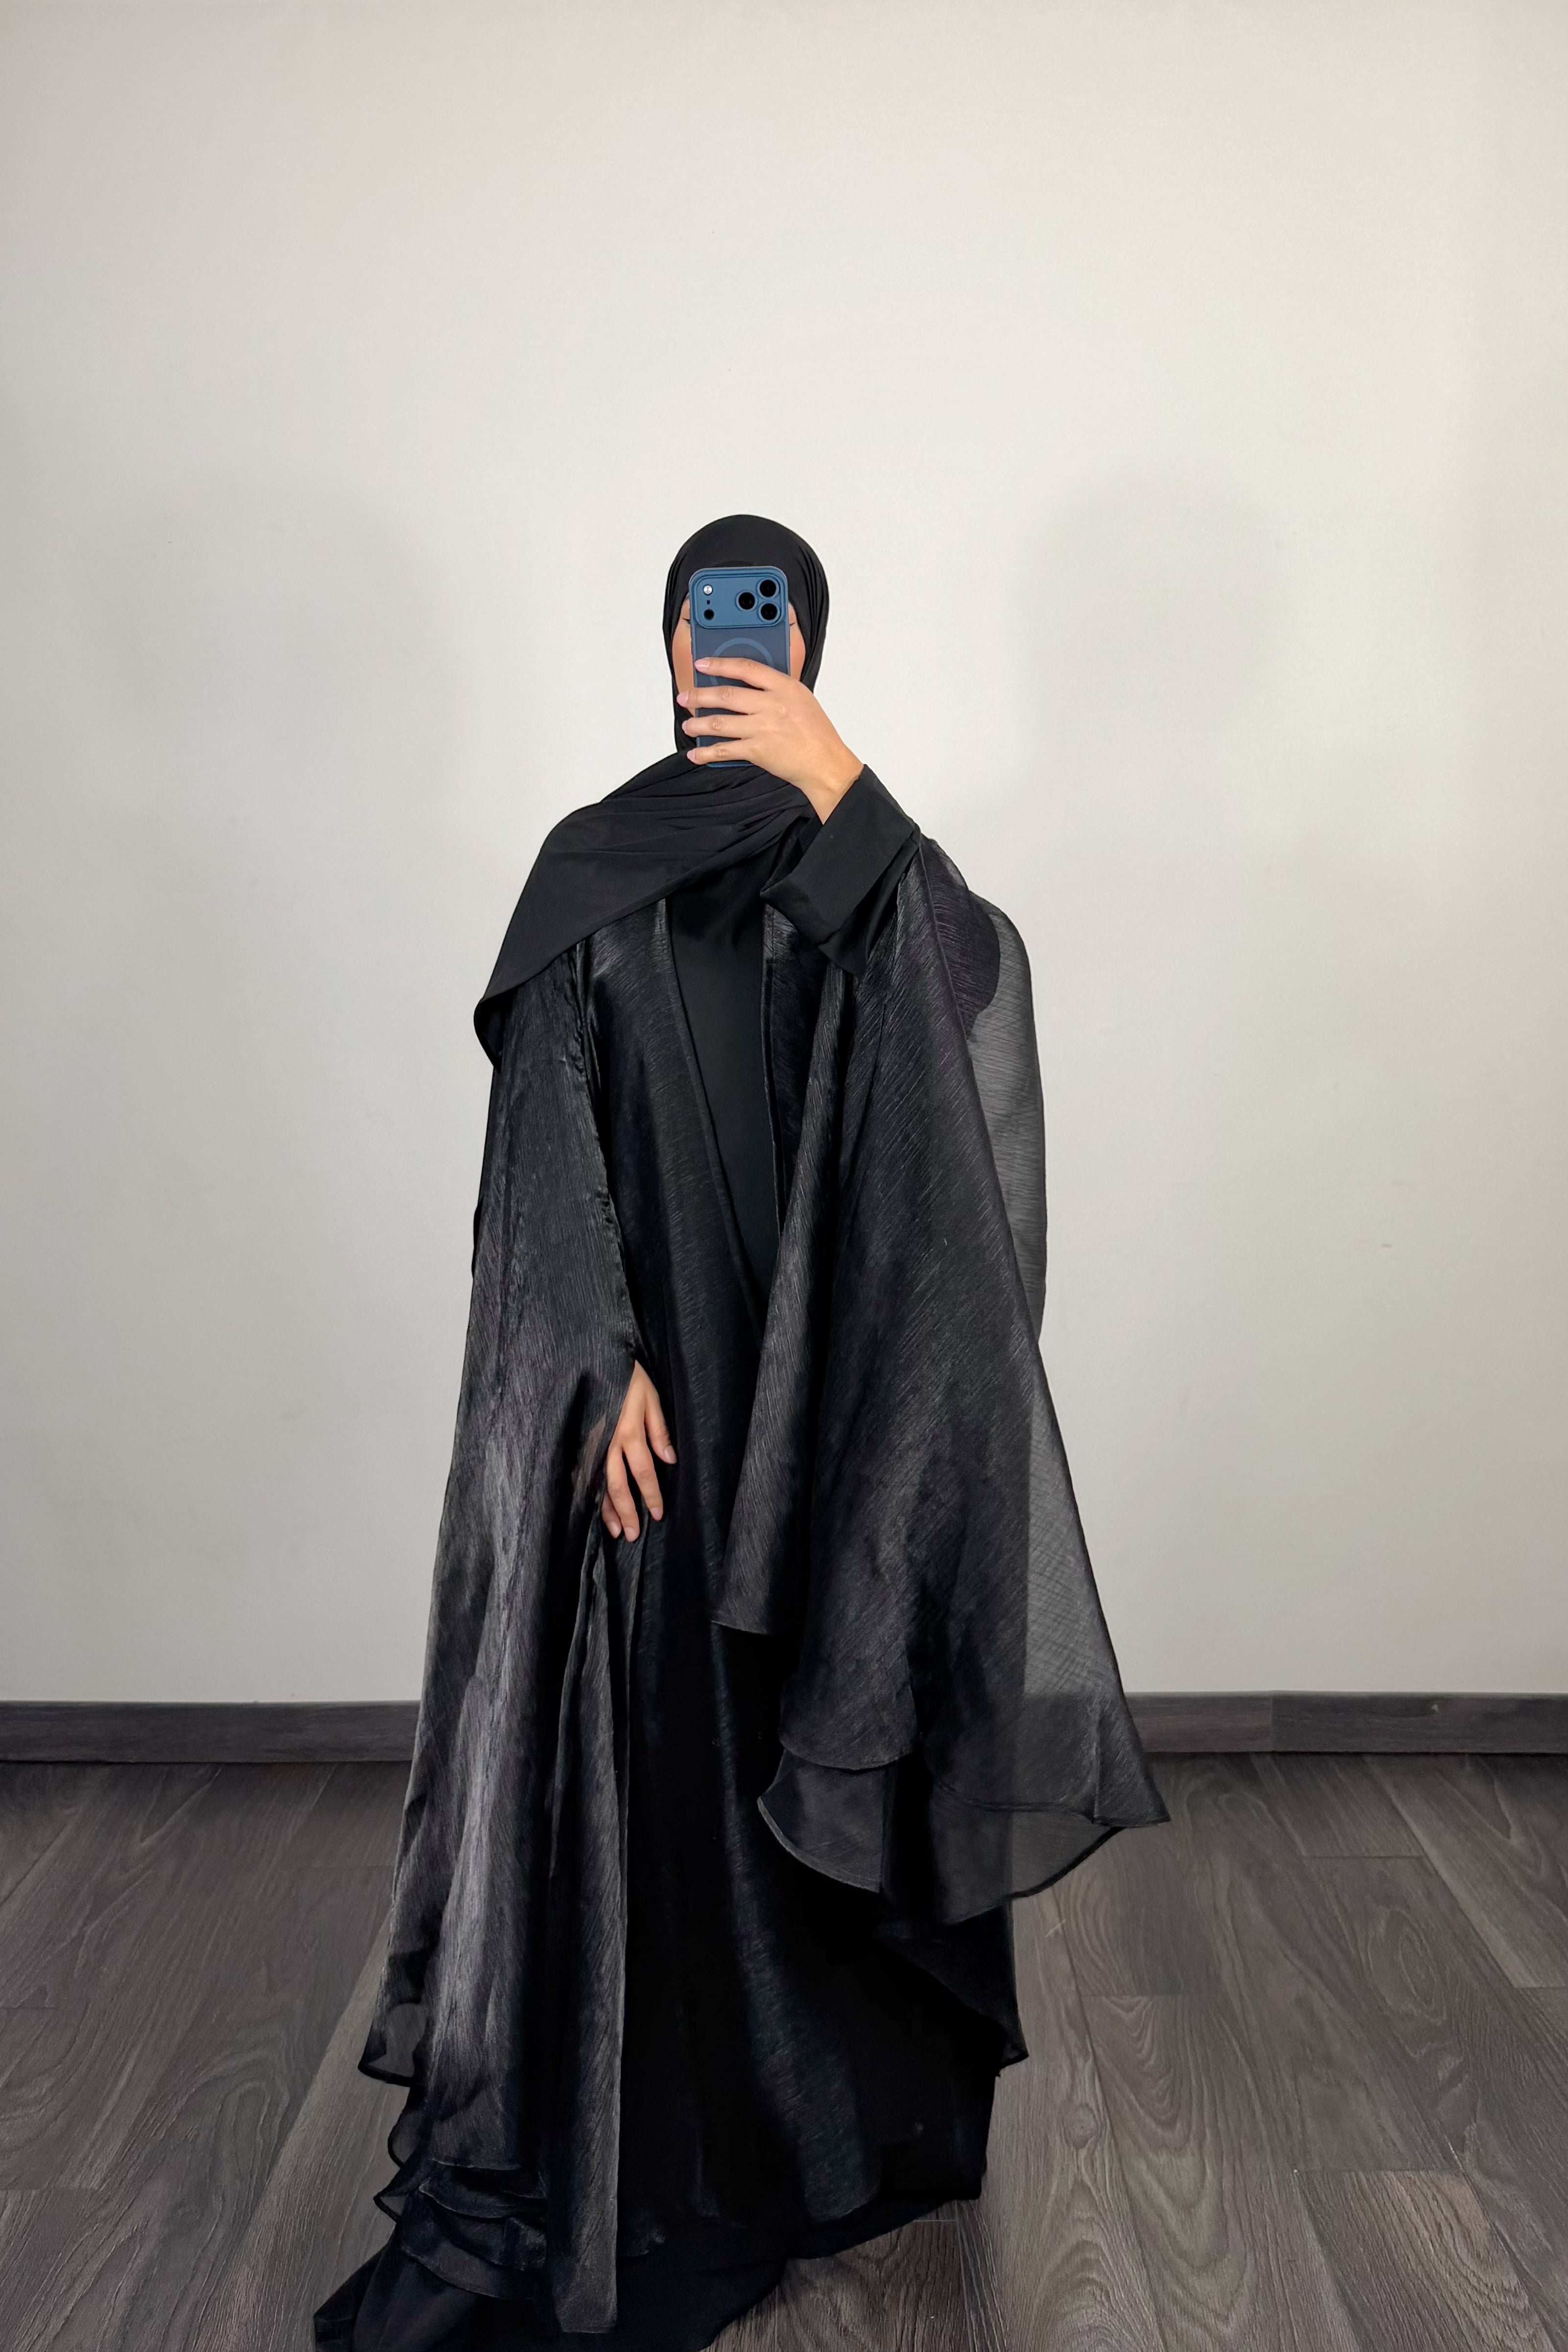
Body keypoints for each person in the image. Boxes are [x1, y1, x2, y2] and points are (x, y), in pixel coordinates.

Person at [314, 515, 1169, 2351]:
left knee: (814, 1735)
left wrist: (847, 791)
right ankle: (655, 2138)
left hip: (826, 1417)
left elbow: (967, 1002)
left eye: (764, 621)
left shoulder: (864, 868)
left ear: (807, 648)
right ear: (666, 643)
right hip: (659, 1420)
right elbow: (537, 1135)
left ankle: (814, 2129)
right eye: (703, 618)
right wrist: (587, 1354)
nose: (728, 645)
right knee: (664, 1765)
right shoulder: (589, 861)